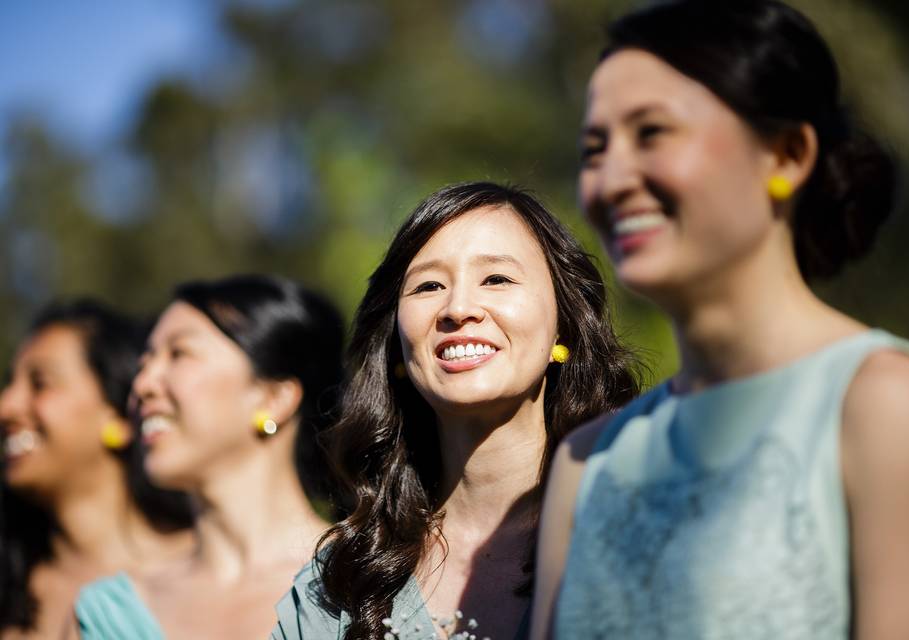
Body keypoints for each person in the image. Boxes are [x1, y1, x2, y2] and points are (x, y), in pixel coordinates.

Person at [530, 1, 909, 638]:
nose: (614, 179)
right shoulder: (586, 464)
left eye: (652, 133)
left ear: (786, 155)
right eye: (595, 148)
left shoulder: (886, 404)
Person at [271, 182, 641, 640]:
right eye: (429, 285)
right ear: (397, 346)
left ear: (562, 324)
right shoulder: (337, 585)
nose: (459, 308)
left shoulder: (646, 530)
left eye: (497, 279)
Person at [74, 275, 344, 639]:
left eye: (179, 353)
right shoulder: (105, 615)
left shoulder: (367, 579)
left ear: (274, 399)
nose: (142, 386)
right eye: (144, 363)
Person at [0, 300, 193, 639]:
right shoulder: (11, 587)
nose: (6, 407)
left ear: (121, 418)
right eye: (9, 383)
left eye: (40, 383)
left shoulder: (207, 570)